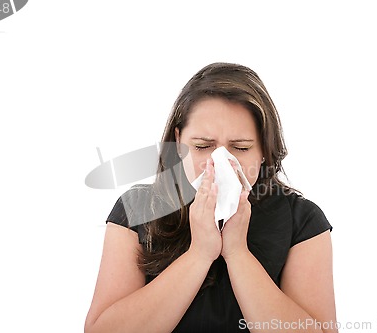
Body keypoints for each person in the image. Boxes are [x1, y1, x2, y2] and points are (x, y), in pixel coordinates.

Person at [84, 63, 338, 333]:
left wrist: (238, 253)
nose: (221, 163)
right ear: (179, 141)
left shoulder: (302, 219)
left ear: (264, 149)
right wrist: (199, 254)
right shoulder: (137, 208)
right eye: (203, 146)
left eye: (240, 148)